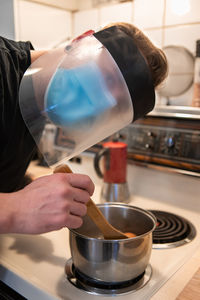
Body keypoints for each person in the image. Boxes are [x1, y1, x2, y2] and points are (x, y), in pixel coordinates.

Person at [0, 22, 168, 235]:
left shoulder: (36, 110)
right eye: (108, 78)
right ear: (82, 40)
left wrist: (30, 189)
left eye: (115, 105)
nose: (102, 103)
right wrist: (16, 209)